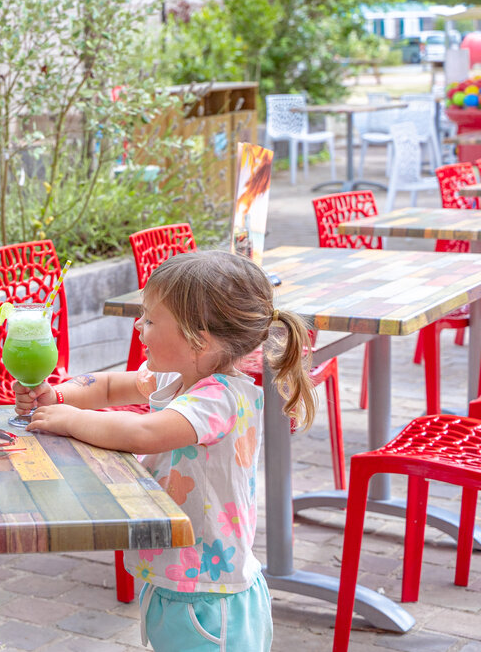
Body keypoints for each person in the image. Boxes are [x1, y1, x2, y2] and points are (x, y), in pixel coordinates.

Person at [16, 250, 316, 652]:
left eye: (152, 320)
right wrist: (56, 394)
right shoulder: (179, 376)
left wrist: (68, 419)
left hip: (208, 596)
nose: (139, 326)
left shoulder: (220, 398)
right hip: (178, 582)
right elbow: (105, 388)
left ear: (198, 340)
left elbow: (143, 432)